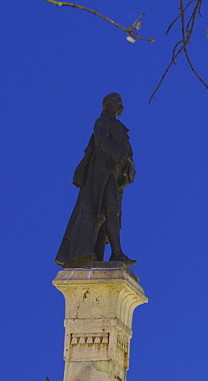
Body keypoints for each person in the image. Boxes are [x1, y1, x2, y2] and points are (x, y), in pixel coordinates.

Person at [55, 92, 136, 266]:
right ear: (108, 104)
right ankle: (115, 253)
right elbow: (102, 141)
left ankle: (115, 254)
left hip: (115, 175)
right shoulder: (102, 122)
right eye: (118, 102)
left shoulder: (119, 126)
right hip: (102, 173)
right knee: (104, 212)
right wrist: (121, 156)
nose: (122, 106)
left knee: (112, 213)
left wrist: (129, 165)